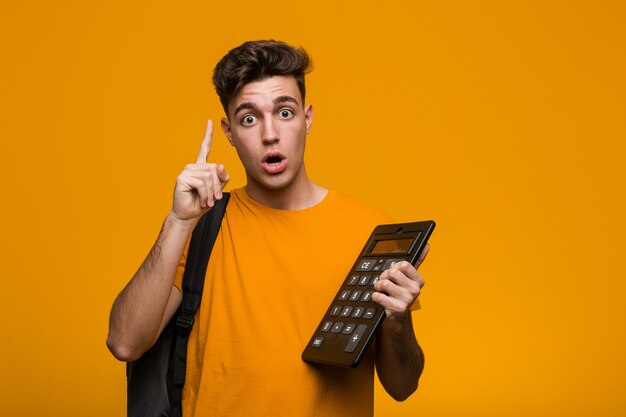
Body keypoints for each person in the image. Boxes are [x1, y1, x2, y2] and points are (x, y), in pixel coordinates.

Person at [107, 40, 430, 417]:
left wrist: (398, 320)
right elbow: (125, 343)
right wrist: (178, 222)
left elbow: (403, 387)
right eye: (249, 118)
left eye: (285, 112)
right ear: (229, 132)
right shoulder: (203, 226)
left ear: (307, 119)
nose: (270, 134)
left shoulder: (372, 231)